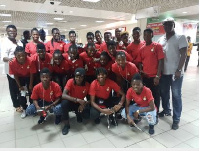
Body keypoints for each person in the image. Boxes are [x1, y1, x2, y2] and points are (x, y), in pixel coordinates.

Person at [157, 17, 188, 130]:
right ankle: (166, 110)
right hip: (164, 73)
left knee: (176, 95)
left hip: (176, 73)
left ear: (173, 25)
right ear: (163, 26)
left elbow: (183, 54)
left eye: (170, 24)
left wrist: (179, 70)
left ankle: (176, 119)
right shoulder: (161, 39)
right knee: (164, 93)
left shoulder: (180, 37)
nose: (167, 26)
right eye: (165, 25)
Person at [137, 28, 164, 115]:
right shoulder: (142, 49)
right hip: (145, 77)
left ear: (152, 35)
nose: (147, 37)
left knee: (156, 96)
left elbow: (161, 61)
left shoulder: (157, 46)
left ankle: (155, 113)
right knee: (147, 96)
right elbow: (140, 62)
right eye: (145, 35)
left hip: (154, 77)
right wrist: (141, 70)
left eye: (149, 35)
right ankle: (149, 112)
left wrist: (157, 76)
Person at [9, 46, 37, 118]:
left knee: (32, 93)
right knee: (21, 94)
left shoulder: (30, 60)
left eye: (22, 55)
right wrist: (19, 86)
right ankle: (24, 109)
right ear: (15, 55)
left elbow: (31, 73)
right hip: (20, 78)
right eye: (18, 56)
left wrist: (30, 85)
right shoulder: (12, 63)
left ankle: (32, 108)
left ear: (25, 54)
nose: (21, 57)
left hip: (29, 77)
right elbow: (15, 75)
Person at [61, 68, 90, 135]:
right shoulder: (70, 81)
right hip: (71, 101)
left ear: (84, 77)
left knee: (87, 115)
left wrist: (83, 104)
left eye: (81, 76)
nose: (78, 78)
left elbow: (90, 99)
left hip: (80, 103)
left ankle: (78, 114)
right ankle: (66, 125)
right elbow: (63, 95)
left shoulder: (87, 84)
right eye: (77, 76)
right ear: (74, 76)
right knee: (64, 104)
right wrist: (77, 100)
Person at [1, 25, 22, 112]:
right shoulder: (4, 43)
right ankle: (16, 105)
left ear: (16, 32)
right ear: (7, 32)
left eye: (13, 31)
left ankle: (21, 102)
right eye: (10, 31)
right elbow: (3, 57)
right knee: (13, 87)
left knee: (19, 86)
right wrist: (13, 59)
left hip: (20, 68)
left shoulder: (19, 41)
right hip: (10, 69)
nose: (12, 33)